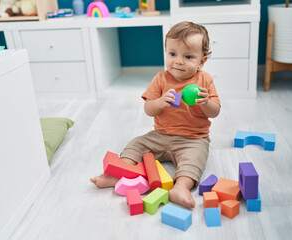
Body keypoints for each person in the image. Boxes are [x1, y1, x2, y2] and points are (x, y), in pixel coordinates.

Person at [91, 21, 221, 209]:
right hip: (161, 135)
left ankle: (180, 188)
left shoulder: (204, 80)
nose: (178, 61)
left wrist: (206, 103)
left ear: (202, 61)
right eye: (173, 54)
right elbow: (148, 109)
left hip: (193, 138)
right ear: (166, 52)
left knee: (194, 160)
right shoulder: (161, 79)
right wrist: (159, 103)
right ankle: (119, 173)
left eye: (188, 56)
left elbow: (215, 111)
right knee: (136, 144)